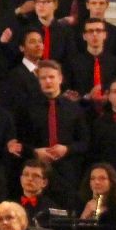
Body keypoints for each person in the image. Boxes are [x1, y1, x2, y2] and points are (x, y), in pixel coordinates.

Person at [22, 60, 87, 191]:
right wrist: (35, 152)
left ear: (60, 79)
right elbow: (20, 141)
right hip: (36, 172)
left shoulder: (74, 108)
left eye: (51, 77)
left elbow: (85, 142)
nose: (48, 81)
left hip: (68, 172)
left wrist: (66, 149)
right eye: (43, 78)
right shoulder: (28, 109)